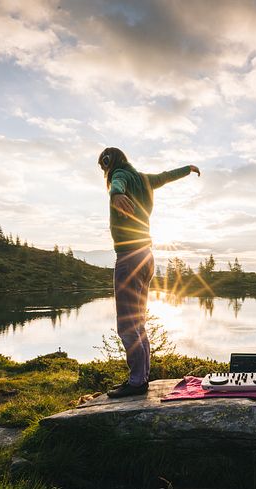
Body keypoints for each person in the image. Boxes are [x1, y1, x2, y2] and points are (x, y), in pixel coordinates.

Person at [99, 147, 200, 397]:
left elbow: (117, 184)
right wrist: (187, 169)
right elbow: (166, 176)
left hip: (129, 257)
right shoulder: (145, 179)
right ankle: (141, 378)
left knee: (126, 322)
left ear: (109, 163)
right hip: (147, 256)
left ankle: (136, 381)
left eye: (103, 167)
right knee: (139, 321)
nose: (105, 172)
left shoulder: (118, 175)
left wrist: (115, 194)